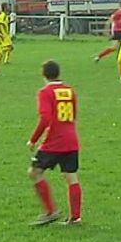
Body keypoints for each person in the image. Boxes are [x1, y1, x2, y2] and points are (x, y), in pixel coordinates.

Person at [27, 60, 82, 226]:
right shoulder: (70, 91)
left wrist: (33, 139)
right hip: (71, 139)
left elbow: (45, 118)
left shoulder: (45, 92)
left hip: (54, 141)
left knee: (34, 172)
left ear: (43, 75)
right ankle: (75, 217)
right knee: (71, 177)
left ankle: (51, 211)